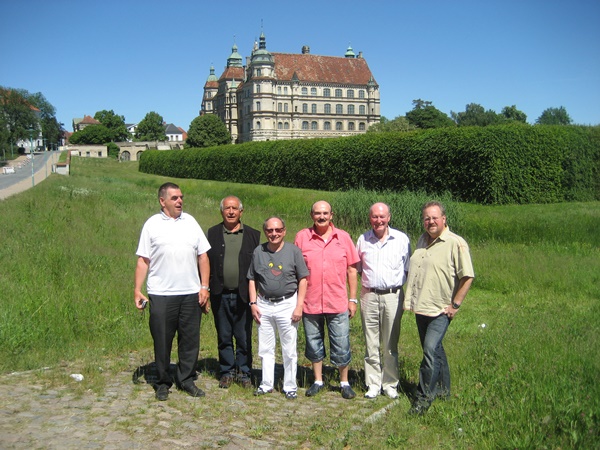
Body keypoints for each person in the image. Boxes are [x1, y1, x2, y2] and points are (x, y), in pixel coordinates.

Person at [134, 182, 211, 401]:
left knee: (190, 340)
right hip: (161, 293)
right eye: (175, 198)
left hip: (190, 293)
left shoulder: (191, 222)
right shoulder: (152, 224)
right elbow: (143, 260)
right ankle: (162, 381)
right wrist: (137, 290)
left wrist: (204, 287)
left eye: (181, 197)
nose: (180, 201)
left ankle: (186, 379)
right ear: (162, 201)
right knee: (162, 340)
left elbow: (203, 256)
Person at [404, 201, 474, 415]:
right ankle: (443, 391)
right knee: (436, 350)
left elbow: (467, 276)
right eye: (427, 218)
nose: (430, 221)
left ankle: (424, 398)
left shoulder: (455, 243)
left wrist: (455, 305)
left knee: (429, 352)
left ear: (444, 219)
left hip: (440, 310)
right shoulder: (422, 240)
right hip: (421, 307)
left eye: (434, 217)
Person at [294, 201, 360, 399]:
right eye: (317, 213)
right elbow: (296, 269)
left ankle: (344, 382)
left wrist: (353, 299)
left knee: (341, 342)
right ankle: (317, 380)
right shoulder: (302, 237)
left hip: (337, 300)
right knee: (314, 343)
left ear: (332, 215)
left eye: (325, 213)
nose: (321, 216)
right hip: (310, 301)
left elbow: (351, 270)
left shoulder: (344, 237)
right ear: (311, 215)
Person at [247, 217, 309, 400]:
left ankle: (290, 386)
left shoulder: (294, 251)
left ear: (284, 231)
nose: (274, 234)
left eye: (278, 230)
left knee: (289, 348)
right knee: (265, 348)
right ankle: (266, 384)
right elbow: (252, 279)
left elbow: (303, 279)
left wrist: (299, 306)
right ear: (265, 232)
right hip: (264, 304)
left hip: (287, 303)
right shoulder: (259, 251)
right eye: (270, 230)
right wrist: (253, 304)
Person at [356, 202, 411, 399]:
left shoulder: (402, 239)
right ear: (370, 218)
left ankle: (390, 383)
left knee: (390, 342)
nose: (378, 220)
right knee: (370, 342)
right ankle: (373, 383)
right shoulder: (363, 240)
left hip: (392, 296)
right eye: (374, 217)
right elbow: (358, 269)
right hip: (369, 295)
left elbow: (407, 268)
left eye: (382, 217)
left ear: (389, 217)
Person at [207, 196, 260, 389]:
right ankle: (227, 371)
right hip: (219, 293)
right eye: (227, 208)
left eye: (234, 208)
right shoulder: (212, 233)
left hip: (244, 295)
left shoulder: (254, 235)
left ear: (241, 212)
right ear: (222, 211)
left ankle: (244, 372)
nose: (231, 211)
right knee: (224, 335)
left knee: (243, 335)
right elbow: (204, 263)